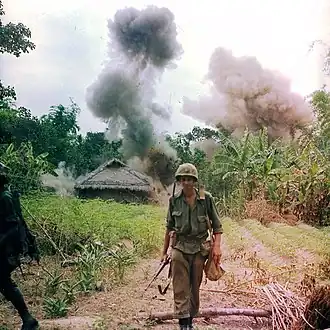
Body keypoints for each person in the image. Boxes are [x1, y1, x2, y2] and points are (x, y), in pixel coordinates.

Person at [161, 163, 223, 330]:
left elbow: (217, 226)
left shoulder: (206, 199)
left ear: (195, 181)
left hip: (199, 248)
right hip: (180, 247)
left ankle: (191, 319)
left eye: (190, 179)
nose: (187, 182)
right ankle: (183, 323)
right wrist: (164, 251)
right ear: (179, 181)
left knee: (194, 285)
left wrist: (217, 247)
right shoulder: (174, 201)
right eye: (183, 179)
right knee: (180, 285)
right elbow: (169, 227)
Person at [0, 162, 39, 330]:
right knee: (4, 283)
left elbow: (14, 227)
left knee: (4, 282)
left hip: (6, 250)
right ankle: (28, 319)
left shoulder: (5, 198)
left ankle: (28, 319)